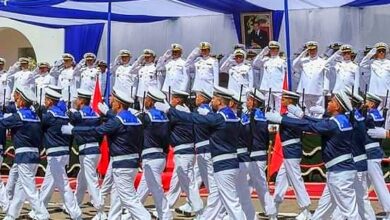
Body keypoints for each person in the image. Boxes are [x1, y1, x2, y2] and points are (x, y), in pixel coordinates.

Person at [156, 85, 247, 220]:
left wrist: (170, 110)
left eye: (215, 98)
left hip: (223, 164)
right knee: (216, 198)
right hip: (229, 162)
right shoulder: (232, 116)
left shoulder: (219, 118)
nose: (212, 101)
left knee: (231, 202)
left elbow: (194, 118)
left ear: (220, 101)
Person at [266, 91, 360, 219]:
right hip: (336, 172)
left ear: (337, 107)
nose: (328, 103)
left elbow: (310, 126)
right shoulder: (340, 120)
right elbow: (316, 122)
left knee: (350, 212)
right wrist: (303, 115)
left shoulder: (333, 123)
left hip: (340, 174)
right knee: (322, 211)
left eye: (332, 101)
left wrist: (282, 119)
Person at [62, 86, 151, 219]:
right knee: (116, 195)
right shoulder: (136, 120)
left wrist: (74, 130)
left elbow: (97, 131)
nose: (111, 103)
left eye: (114, 101)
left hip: (121, 163)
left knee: (129, 200)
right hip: (131, 162)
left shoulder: (117, 121)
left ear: (119, 104)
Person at [32, 88, 82, 220]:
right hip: (63, 152)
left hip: (55, 153)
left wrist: (36, 111)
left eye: (46, 100)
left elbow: (38, 126)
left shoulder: (49, 115)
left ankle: (76, 213)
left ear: (49, 101)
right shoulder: (64, 115)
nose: (44, 102)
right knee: (48, 183)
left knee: (63, 185)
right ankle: (39, 209)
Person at [3, 87, 50, 220]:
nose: (16, 101)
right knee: (20, 188)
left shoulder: (20, 116)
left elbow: (3, 123)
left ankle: (42, 214)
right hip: (33, 155)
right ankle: (12, 215)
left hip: (24, 156)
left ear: (23, 101)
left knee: (29, 188)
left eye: (17, 99)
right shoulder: (35, 117)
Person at [163, 89, 203, 216]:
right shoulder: (186, 110)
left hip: (183, 152)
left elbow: (166, 124)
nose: (171, 100)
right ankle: (166, 206)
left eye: (173, 98)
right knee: (177, 181)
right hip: (185, 152)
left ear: (179, 100)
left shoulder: (178, 112)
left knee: (188, 184)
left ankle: (199, 211)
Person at [272, 90, 311, 220]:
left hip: (292, 150)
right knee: (281, 180)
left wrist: (280, 119)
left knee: (296, 180)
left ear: (290, 100)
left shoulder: (295, 114)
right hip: (288, 150)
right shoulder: (289, 113)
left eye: (284, 98)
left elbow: (292, 123)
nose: (282, 100)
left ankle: (305, 210)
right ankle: (274, 207)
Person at [68, 89, 106, 220]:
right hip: (94, 149)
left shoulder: (79, 115)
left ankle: (100, 211)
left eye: (78, 99)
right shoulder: (96, 114)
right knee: (82, 179)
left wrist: (70, 110)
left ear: (82, 101)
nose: (76, 101)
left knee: (91, 181)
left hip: (87, 151)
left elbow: (71, 119)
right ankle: (75, 204)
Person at [136, 87, 173, 220]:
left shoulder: (147, 117)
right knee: (144, 186)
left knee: (156, 189)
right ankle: (134, 211)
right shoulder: (165, 117)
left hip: (151, 156)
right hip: (160, 156)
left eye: (147, 99)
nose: (145, 101)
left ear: (151, 102)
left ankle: (166, 215)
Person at [245, 89, 277, 219]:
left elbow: (253, 134)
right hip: (254, 153)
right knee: (247, 184)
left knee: (261, 186)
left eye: (249, 100)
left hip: (256, 153)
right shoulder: (257, 115)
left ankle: (271, 212)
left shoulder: (256, 116)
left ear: (254, 102)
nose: (247, 102)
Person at [362, 92, 390, 219]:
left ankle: (389, 211)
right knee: (361, 186)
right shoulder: (370, 114)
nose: (364, 103)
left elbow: (368, 121)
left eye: (366, 101)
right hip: (367, 154)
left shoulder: (374, 115)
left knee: (379, 185)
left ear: (372, 104)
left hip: (372, 154)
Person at [231, 93, 257, 220]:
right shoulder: (244, 117)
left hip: (238, 157)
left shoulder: (234, 117)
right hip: (244, 156)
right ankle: (251, 217)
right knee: (243, 193)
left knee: (235, 192)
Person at [360, 42, 390, 129]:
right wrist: (372, 51)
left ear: (385, 52)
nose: (381, 53)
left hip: (386, 91)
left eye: (383, 51)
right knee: (373, 110)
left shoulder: (389, 63)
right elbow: (362, 64)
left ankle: (385, 129)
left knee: (387, 112)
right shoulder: (372, 62)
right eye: (379, 51)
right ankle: (373, 127)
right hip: (374, 92)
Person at [293, 41, 329, 111]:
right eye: (310, 50)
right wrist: (303, 53)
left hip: (317, 89)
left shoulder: (323, 62)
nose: (312, 52)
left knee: (318, 109)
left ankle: (317, 121)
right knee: (305, 109)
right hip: (305, 89)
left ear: (317, 49)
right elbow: (294, 64)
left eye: (313, 50)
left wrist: (326, 88)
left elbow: (326, 76)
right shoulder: (303, 60)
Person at [253, 41, 287, 112]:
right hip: (267, 87)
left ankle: (278, 120)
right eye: (271, 49)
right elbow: (255, 64)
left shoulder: (282, 61)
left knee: (278, 105)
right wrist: (262, 53)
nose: (273, 51)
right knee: (267, 105)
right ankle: (268, 119)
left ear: (278, 50)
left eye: (275, 49)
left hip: (277, 87)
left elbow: (285, 75)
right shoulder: (266, 60)